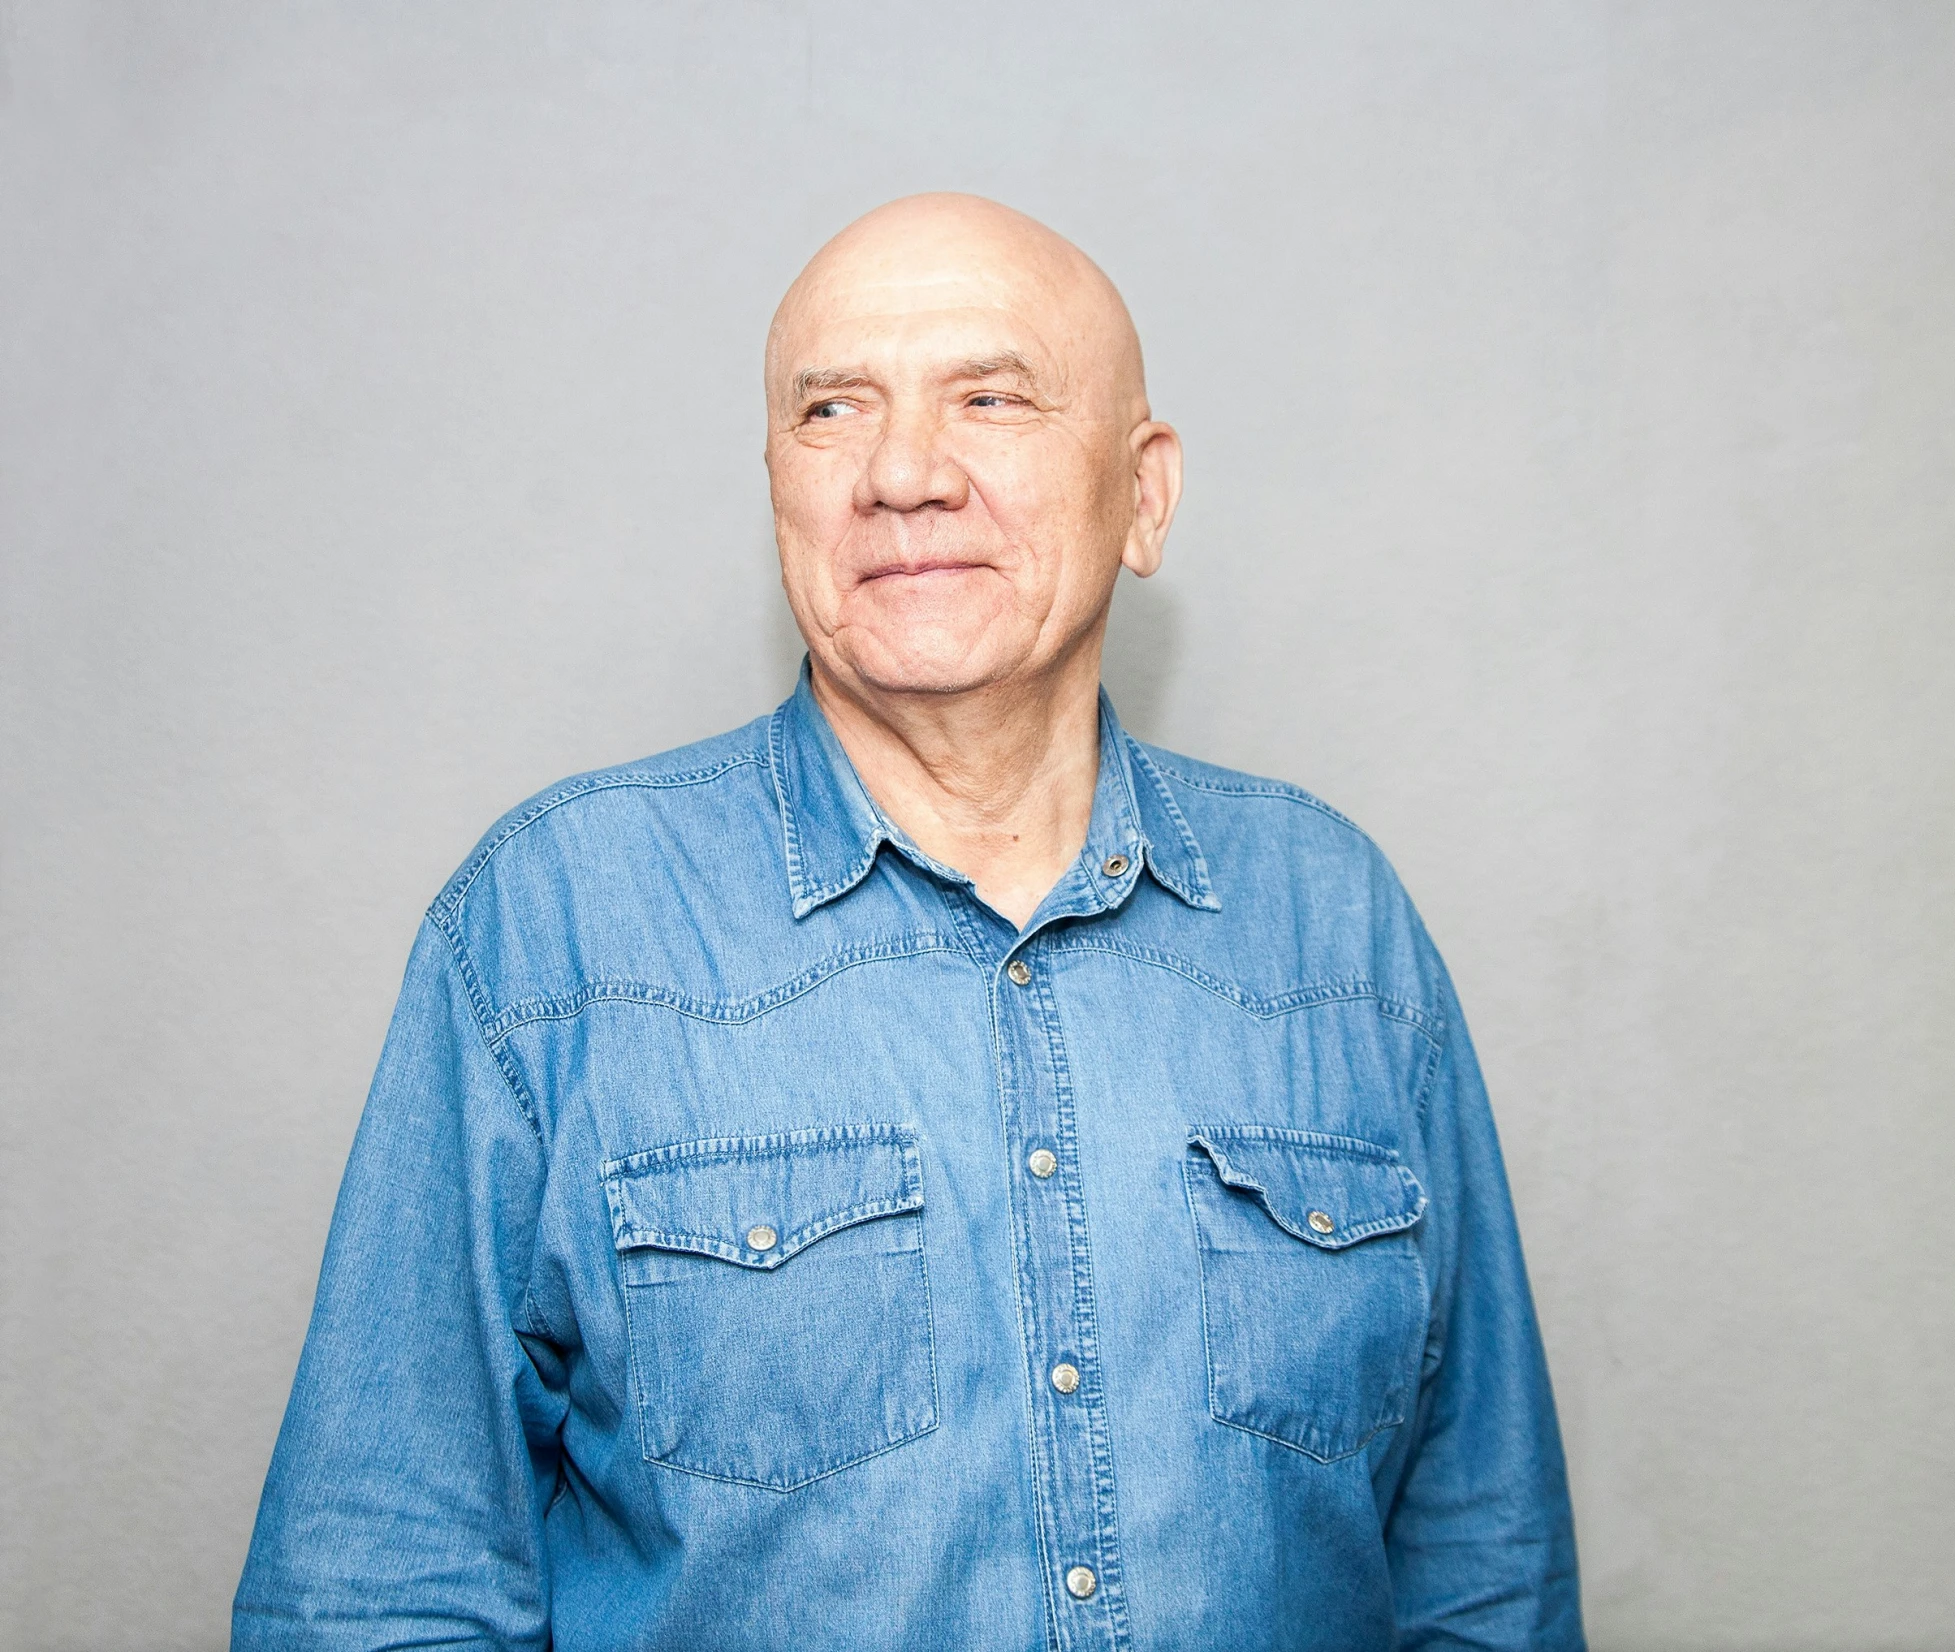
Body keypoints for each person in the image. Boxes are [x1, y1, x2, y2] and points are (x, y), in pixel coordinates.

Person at [234, 193, 1584, 1651]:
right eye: (831, 411)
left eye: (990, 400)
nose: (900, 473)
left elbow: (1481, 1573)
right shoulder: (553, 927)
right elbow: (375, 1593)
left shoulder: (1338, 928)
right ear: (777, 488)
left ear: (1143, 495)